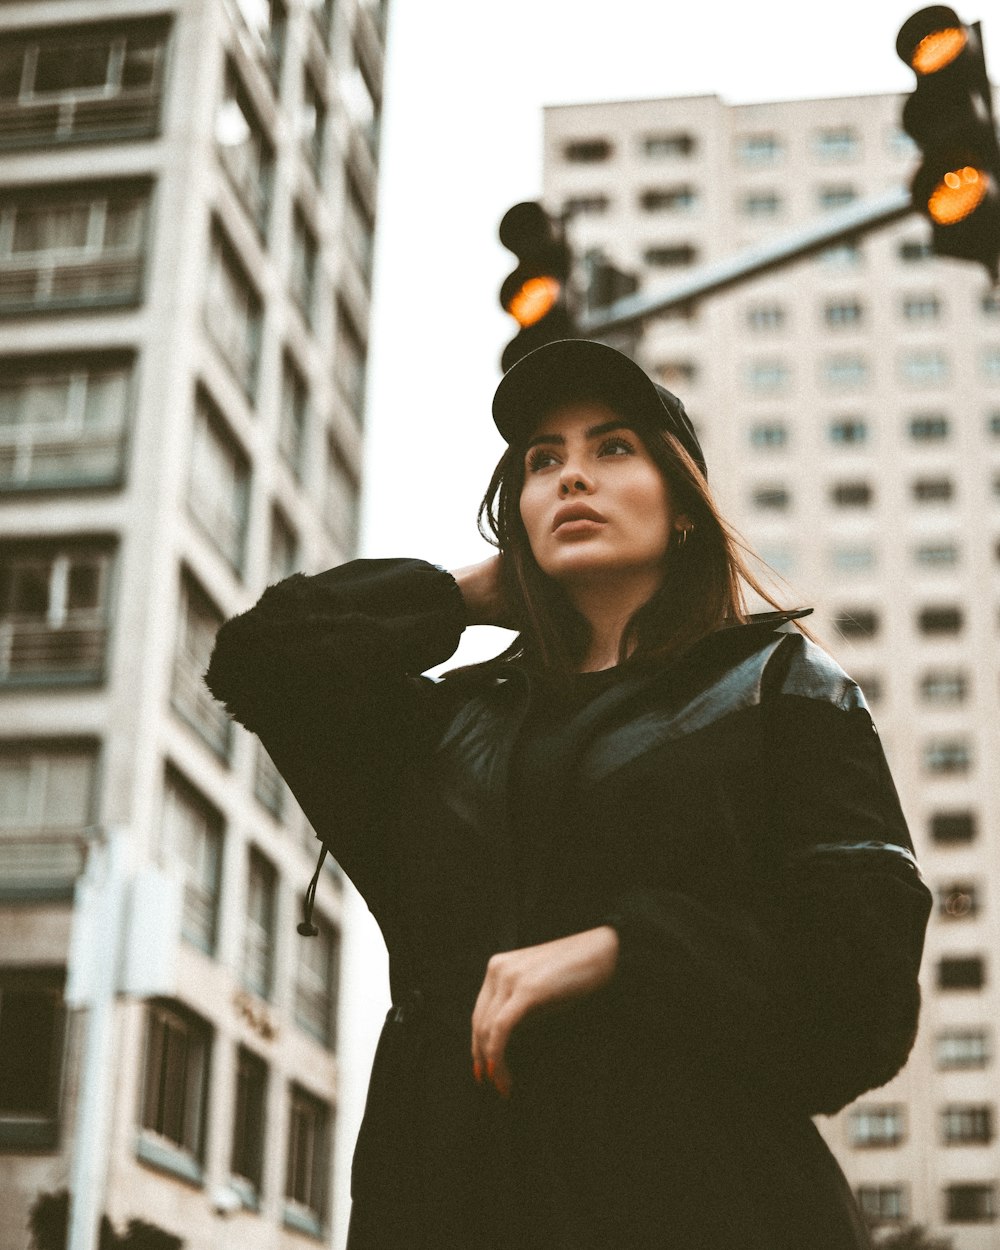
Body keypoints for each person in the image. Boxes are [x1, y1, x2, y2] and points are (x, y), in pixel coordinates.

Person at [205, 339, 932, 1250]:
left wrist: (623, 949)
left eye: (612, 448)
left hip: (707, 1207)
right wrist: (462, 596)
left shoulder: (780, 687)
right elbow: (258, 663)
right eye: (543, 461)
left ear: (684, 510)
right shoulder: (447, 731)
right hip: (446, 1201)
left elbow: (860, 997)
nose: (571, 478)